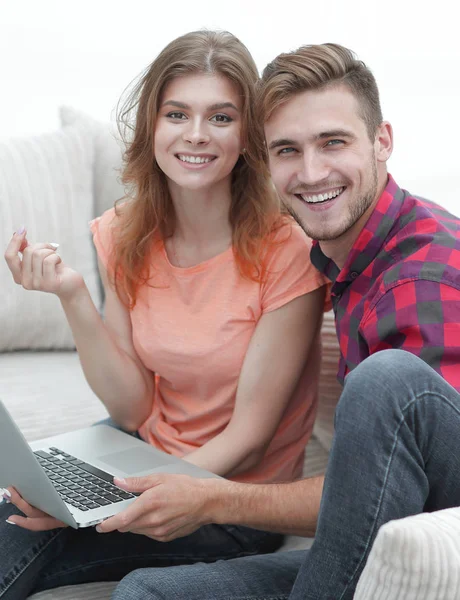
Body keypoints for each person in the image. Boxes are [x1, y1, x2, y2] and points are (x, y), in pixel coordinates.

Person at [107, 42, 460, 600]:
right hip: (367, 539)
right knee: (144, 594)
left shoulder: (420, 279)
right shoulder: (337, 257)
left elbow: (402, 496)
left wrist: (213, 498)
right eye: (288, 150)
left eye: (333, 143)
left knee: (385, 379)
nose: (311, 171)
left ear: (382, 141)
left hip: (430, 547)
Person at [0, 31, 329, 599]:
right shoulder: (125, 231)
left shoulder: (288, 251)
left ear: (247, 134)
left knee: (21, 541)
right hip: (136, 451)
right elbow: (132, 407)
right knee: (13, 509)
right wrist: (74, 296)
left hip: (227, 496)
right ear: (153, 123)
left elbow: (249, 439)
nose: (196, 135)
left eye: (221, 117)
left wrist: (121, 495)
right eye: (177, 113)